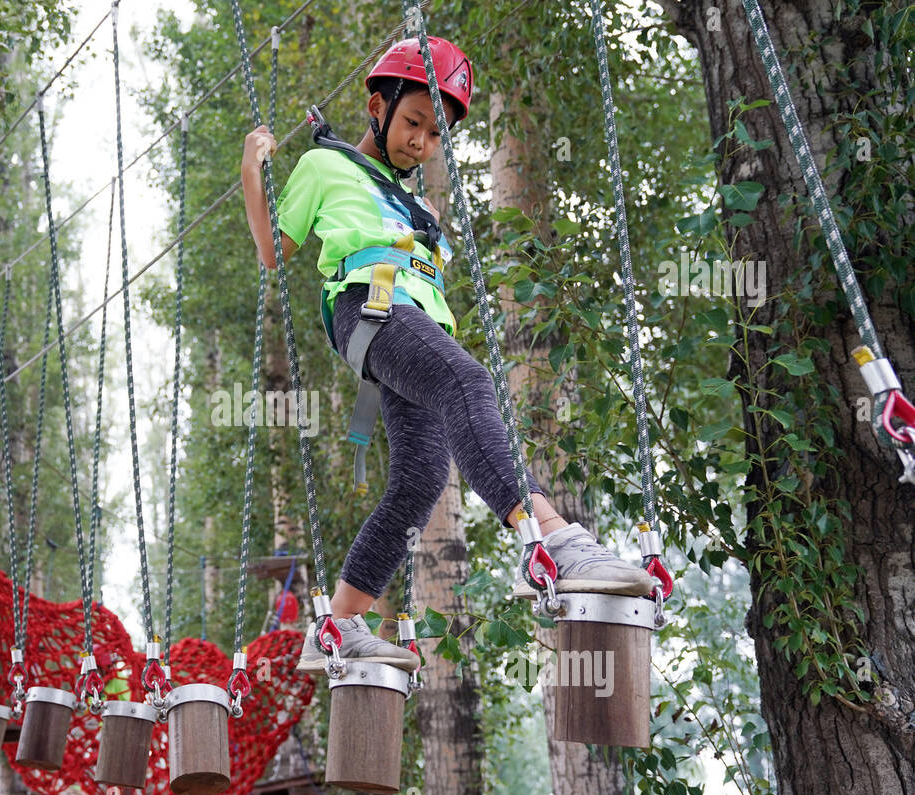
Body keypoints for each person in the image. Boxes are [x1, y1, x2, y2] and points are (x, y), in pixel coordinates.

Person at [241, 36, 655, 674]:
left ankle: (340, 626)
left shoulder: (419, 205)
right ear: (377, 107)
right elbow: (273, 254)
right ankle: (555, 540)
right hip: (372, 311)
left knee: (421, 480)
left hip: (416, 327)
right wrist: (252, 166)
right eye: (413, 122)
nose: (421, 142)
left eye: (436, 135)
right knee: (467, 382)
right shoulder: (326, 167)